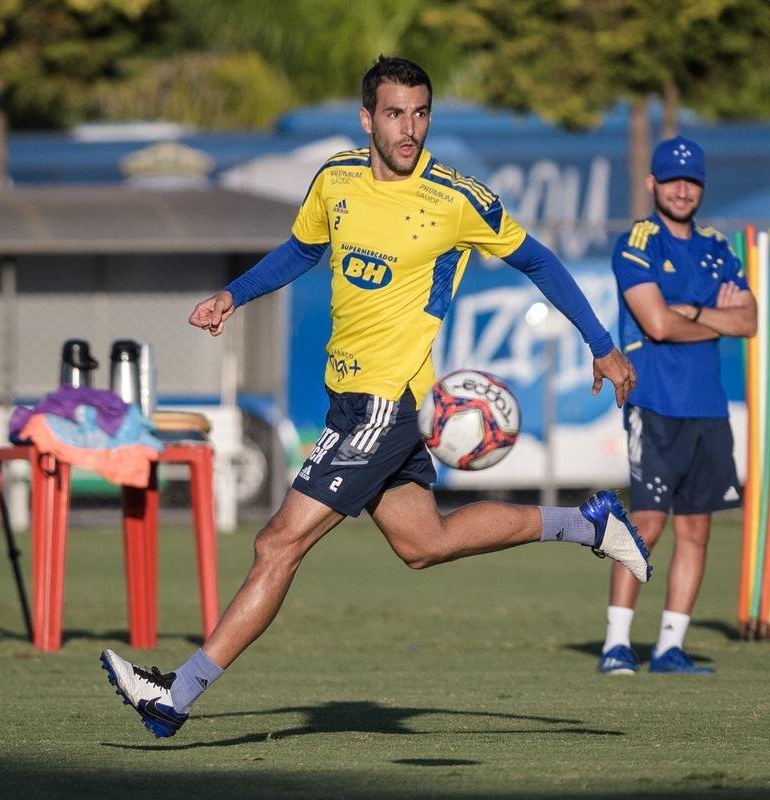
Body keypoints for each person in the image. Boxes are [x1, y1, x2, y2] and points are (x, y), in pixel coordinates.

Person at [100, 56, 650, 739]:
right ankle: (590, 525)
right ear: (367, 118)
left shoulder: (457, 199)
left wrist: (601, 341)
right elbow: (301, 251)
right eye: (395, 113)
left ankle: (173, 697)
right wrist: (232, 295)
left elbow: (538, 258)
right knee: (425, 543)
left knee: (277, 544)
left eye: (420, 113)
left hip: (385, 403)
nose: (409, 128)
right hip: (349, 399)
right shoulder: (335, 179)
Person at [597, 135, 756, 676]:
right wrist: (711, 314)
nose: (683, 190)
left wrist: (691, 311)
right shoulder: (637, 242)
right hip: (655, 402)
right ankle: (616, 642)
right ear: (652, 184)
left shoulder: (718, 246)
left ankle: (670, 647)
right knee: (646, 522)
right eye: (672, 180)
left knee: (696, 529)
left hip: (708, 407)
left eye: (692, 182)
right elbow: (657, 324)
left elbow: (750, 322)